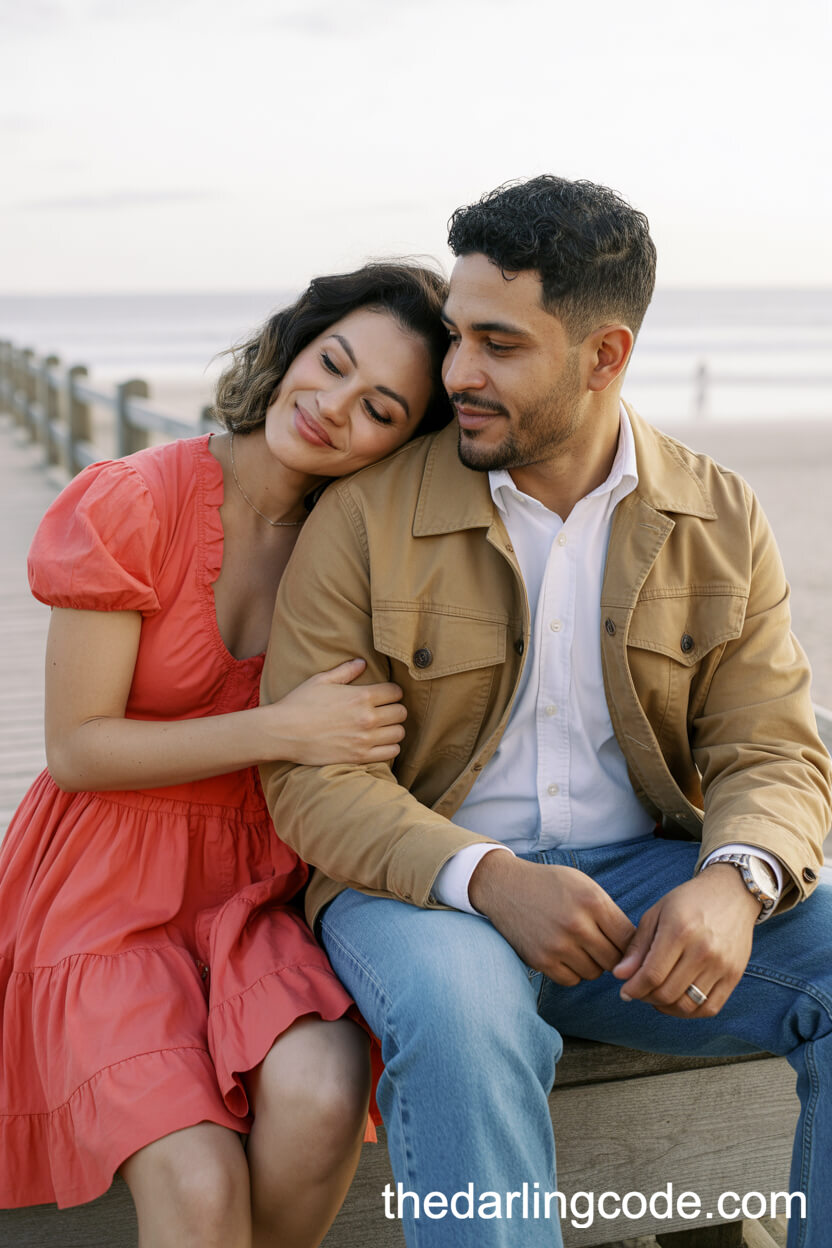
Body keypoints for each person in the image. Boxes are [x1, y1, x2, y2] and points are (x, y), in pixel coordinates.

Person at [259, 177, 832, 1248]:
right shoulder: (363, 517)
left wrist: (734, 877)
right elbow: (309, 780)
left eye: (498, 345)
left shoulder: (717, 513)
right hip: (421, 892)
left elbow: (771, 743)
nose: (457, 374)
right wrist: (489, 878)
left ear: (604, 356)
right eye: (453, 336)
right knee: (461, 1015)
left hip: (647, 889)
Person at [0, 261, 453, 1248]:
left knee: (326, 1098)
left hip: (258, 892)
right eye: (330, 363)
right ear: (292, 342)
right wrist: (283, 729)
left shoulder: (357, 550)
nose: (333, 408)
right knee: (197, 1184)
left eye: (379, 407)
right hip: (104, 891)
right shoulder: (130, 501)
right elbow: (76, 749)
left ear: (407, 441)